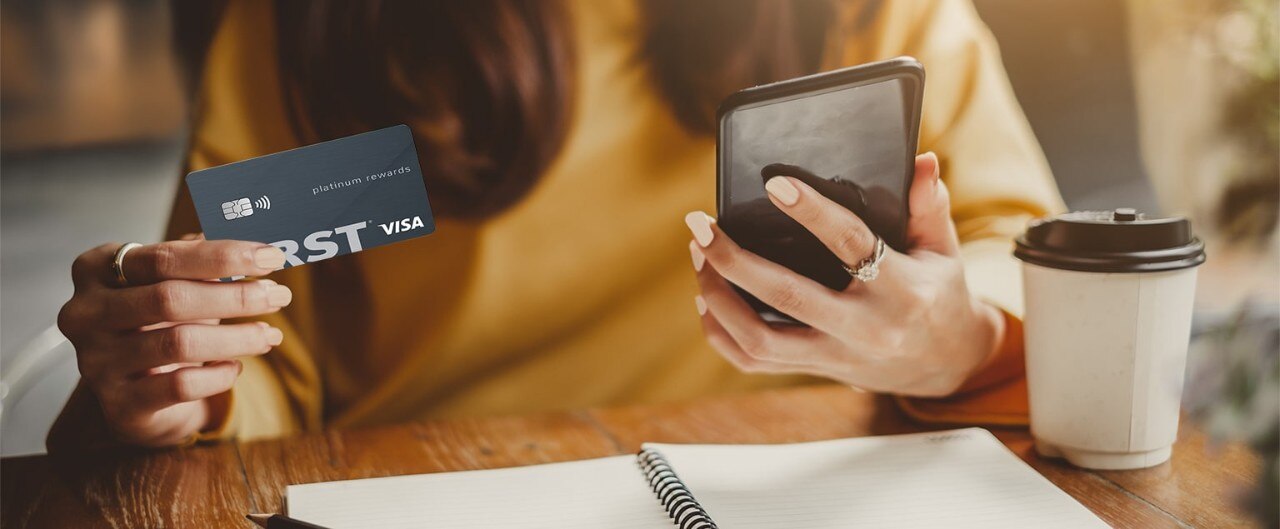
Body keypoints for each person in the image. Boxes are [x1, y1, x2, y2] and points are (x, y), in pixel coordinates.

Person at [50, 0, 1062, 451]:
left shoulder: (868, 10)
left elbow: (1021, 250)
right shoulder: (315, 28)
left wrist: (955, 341)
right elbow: (261, 341)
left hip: (798, 479)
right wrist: (186, 384)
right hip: (406, 487)